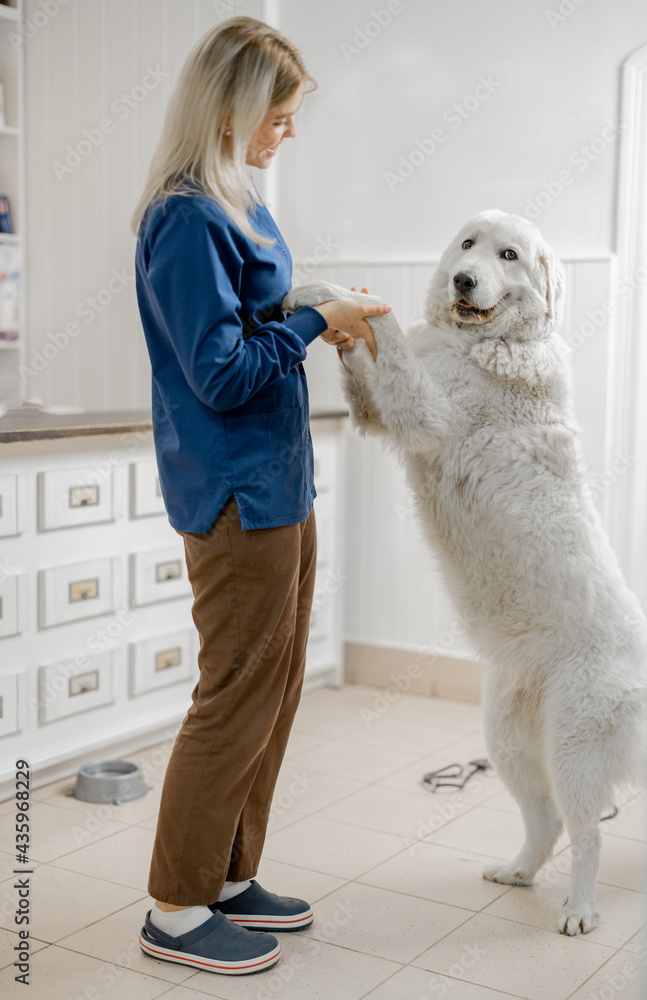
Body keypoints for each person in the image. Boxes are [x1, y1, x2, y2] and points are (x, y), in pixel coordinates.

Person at [130, 16, 389, 977]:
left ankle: (229, 877)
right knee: (233, 696)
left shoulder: (239, 202)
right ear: (229, 109)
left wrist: (318, 307)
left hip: (280, 483)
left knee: (274, 693)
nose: (287, 134)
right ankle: (173, 906)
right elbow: (221, 373)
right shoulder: (186, 217)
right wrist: (313, 318)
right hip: (234, 492)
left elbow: (255, 315)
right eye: (276, 118)